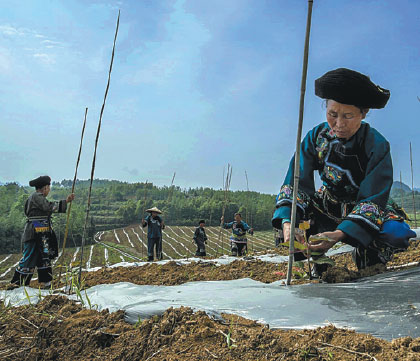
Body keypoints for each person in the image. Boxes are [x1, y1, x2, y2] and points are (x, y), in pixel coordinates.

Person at [272, 68, 416, 275]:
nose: (339, 124)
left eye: (348, 116)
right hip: (327, 203)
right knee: (292, 215)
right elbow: (297, 181)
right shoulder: (316, 137)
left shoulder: (376, 144)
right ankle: (314, 266)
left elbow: (373, 198)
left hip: (365, 205)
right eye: (332, 114)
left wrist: (341, 234)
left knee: (396, 233)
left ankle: (370, 262)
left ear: (363, 114)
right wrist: (288, 222)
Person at [10, 176, 75, 287]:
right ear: (45, 188)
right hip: (34, 232)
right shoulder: (36, 197)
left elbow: (48, 208)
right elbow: (48, 207)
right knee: (29, 256)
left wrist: (66, 202)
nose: (49, 190)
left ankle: (46, 283)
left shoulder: (37, 197)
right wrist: (66, 201)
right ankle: (17, 284)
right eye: (48, 187)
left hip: (42, 233)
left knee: (44, 256)